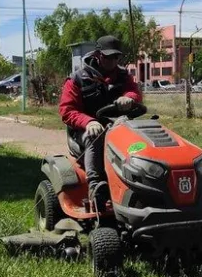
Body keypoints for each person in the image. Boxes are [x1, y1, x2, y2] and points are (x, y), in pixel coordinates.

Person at [59, 35, 143, 210]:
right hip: (85, 129)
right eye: (108, 56)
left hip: (116, 125)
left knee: (138, 137)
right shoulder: (78, 79)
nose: (112, 61)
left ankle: (141, 180)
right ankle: (96, 187)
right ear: (98, 54)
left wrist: (129, 98)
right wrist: (88, 121)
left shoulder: (123, 76)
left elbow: (134, 92)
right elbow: (67, 111)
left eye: (116, 57)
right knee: (96, 136)